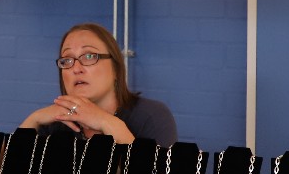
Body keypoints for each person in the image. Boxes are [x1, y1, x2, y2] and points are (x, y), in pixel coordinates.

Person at [20, 22, 177, 145]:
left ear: (116, 68)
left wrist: (107, 123)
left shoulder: (151, 116)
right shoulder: (56, 122)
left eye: (89, 56)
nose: (76, 68)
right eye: (67, 60)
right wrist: (34, 119)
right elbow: (11, 172)